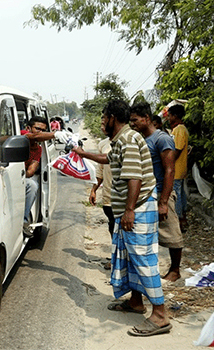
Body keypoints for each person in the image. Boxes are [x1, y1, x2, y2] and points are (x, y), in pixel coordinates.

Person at [72, 99, 170, 337]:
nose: (102, 122)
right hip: (130, 208)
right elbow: (110, 160)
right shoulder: (122, 140)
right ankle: (136, 301)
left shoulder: (128, 139)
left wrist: (129, 210)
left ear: (112, 118)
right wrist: (82, 153)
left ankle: (160, 315)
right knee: (129, 258)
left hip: (138, 207)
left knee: (144, 259)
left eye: (104, 118)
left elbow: (134, 177)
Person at [130, 102, 184, 282]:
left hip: (161, 192)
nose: (132, 124)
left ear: (147, 118)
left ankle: (175, 270)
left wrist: (163, 202)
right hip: (146, 194)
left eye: (135, 120)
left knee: (171, 233)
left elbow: (170, 170)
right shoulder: (141, 139)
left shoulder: (162, 139)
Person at [21, 117, 71, 238]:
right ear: (28, 128)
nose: (39, 133)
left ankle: (24, 220)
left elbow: (31, 170)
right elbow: (34, 137)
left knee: (32, 185)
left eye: (43, 131)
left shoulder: (38, 149)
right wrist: (55, 134)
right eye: (37, 129)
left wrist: (21, 174)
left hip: (20, 176)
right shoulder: (22, 136)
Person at [89, 133, 113, 270]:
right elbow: (100, 170)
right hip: (108, 196)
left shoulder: (130, 140)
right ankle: (116, 256)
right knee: (112, 227)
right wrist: (94, 190)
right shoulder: (103, 144)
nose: (103, 126)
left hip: (125, 198)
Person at [165, 105, 189, 231]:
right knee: (181, 194)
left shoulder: (179, 130)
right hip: (180, 169)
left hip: (177, 169)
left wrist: (167, 162)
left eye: (169, 116)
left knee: (176, 194)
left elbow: (177, 149)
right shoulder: (179, 129)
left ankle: (179, 219)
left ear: (175, 116)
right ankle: (183, 217)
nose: (168, 118)